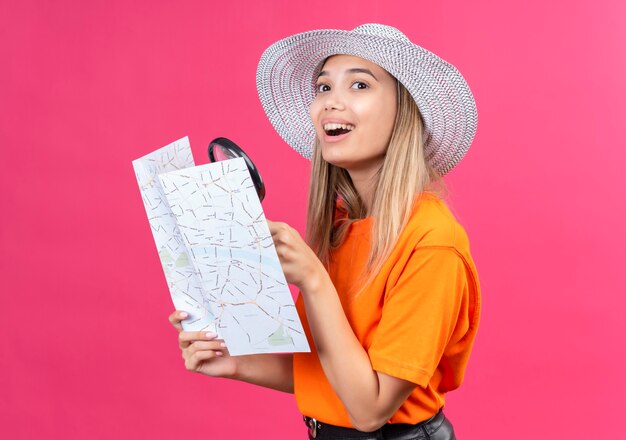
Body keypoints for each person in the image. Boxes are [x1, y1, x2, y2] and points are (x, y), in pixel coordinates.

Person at [169, 24, 481, 439]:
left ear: (404, 112)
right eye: (323, 87)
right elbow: (333, 373)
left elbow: (369, 409)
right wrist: (235, 362)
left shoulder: (432, 243)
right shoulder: (341, 227)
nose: (331, 101)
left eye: (359, 84)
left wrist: (313, 279)